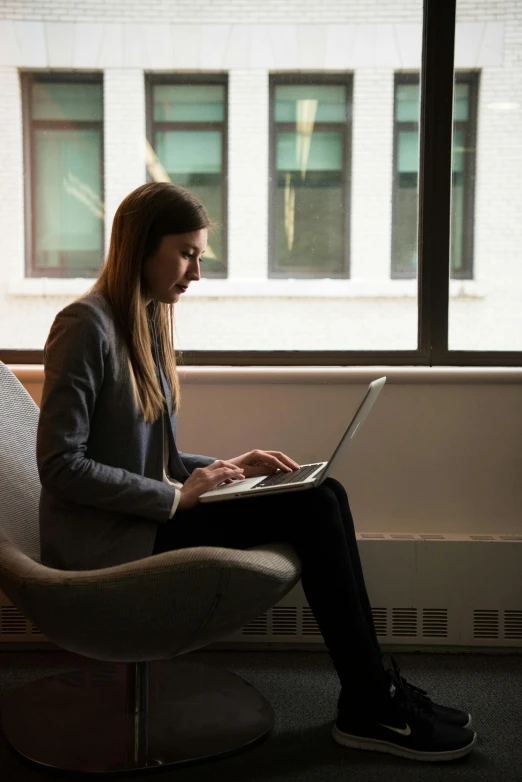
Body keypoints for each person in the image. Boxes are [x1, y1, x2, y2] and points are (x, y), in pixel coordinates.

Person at [36, 182, 477, 763]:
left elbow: (157, 459)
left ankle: (374, 691)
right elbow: (61, 466)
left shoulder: (146, 320)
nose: (196, 271)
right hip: (106, 540)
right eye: (187, 253)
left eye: (199, 255)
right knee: (316, 507)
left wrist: (224, 468)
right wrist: (177, 500)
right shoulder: (84, 325)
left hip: (143, 515)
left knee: (325, 491)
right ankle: (371, 701)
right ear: (141, 246)